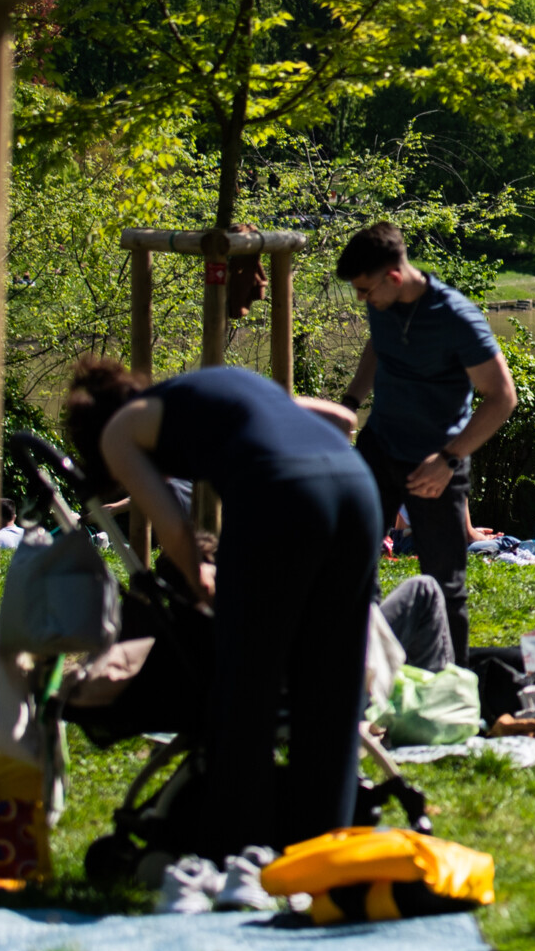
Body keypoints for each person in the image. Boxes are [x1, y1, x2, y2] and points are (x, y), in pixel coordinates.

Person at [62, 357, 379, 881]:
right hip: (356, 490)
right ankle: (324, 852)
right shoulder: (219, 388)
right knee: (331, 687)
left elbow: (171, 525)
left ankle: (235, 854)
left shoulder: (120, 431)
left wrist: (201, 582)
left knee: (244, 690)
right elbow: (343, 422)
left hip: (281, 495)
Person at [336, 221, 517, 663]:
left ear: (394, 277)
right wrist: (350, 402)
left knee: (444, 582)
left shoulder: (456, 318)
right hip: (380, 446)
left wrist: (450, 458)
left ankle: (454, 683)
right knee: (351, 562)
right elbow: (376, 348)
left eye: (364, 290)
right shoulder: (383, 302)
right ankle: (368, 667)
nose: (362, 300)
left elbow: (502, 397)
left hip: (437, 460)